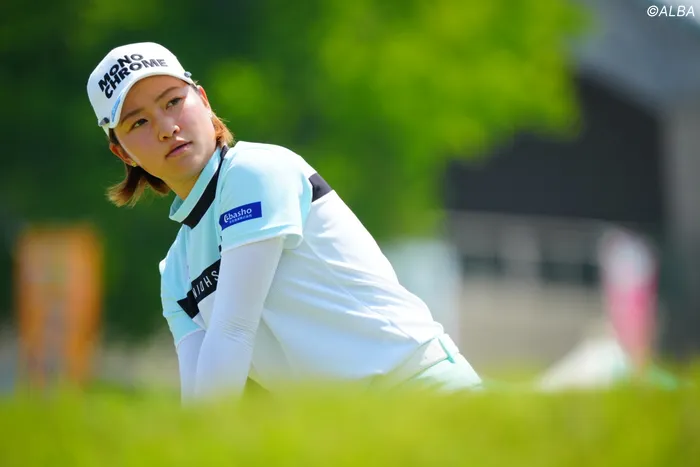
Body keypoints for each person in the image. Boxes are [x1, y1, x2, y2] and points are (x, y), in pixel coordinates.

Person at [86, 42, 482, 402]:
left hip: (423, 390)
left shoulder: (255, 171)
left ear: (203, 100)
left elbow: (233, 331)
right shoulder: (176, 272)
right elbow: (200, 394)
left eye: (173, 101)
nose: (166, 127)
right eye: (138, 123)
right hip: (350, 432)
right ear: (123, 153)